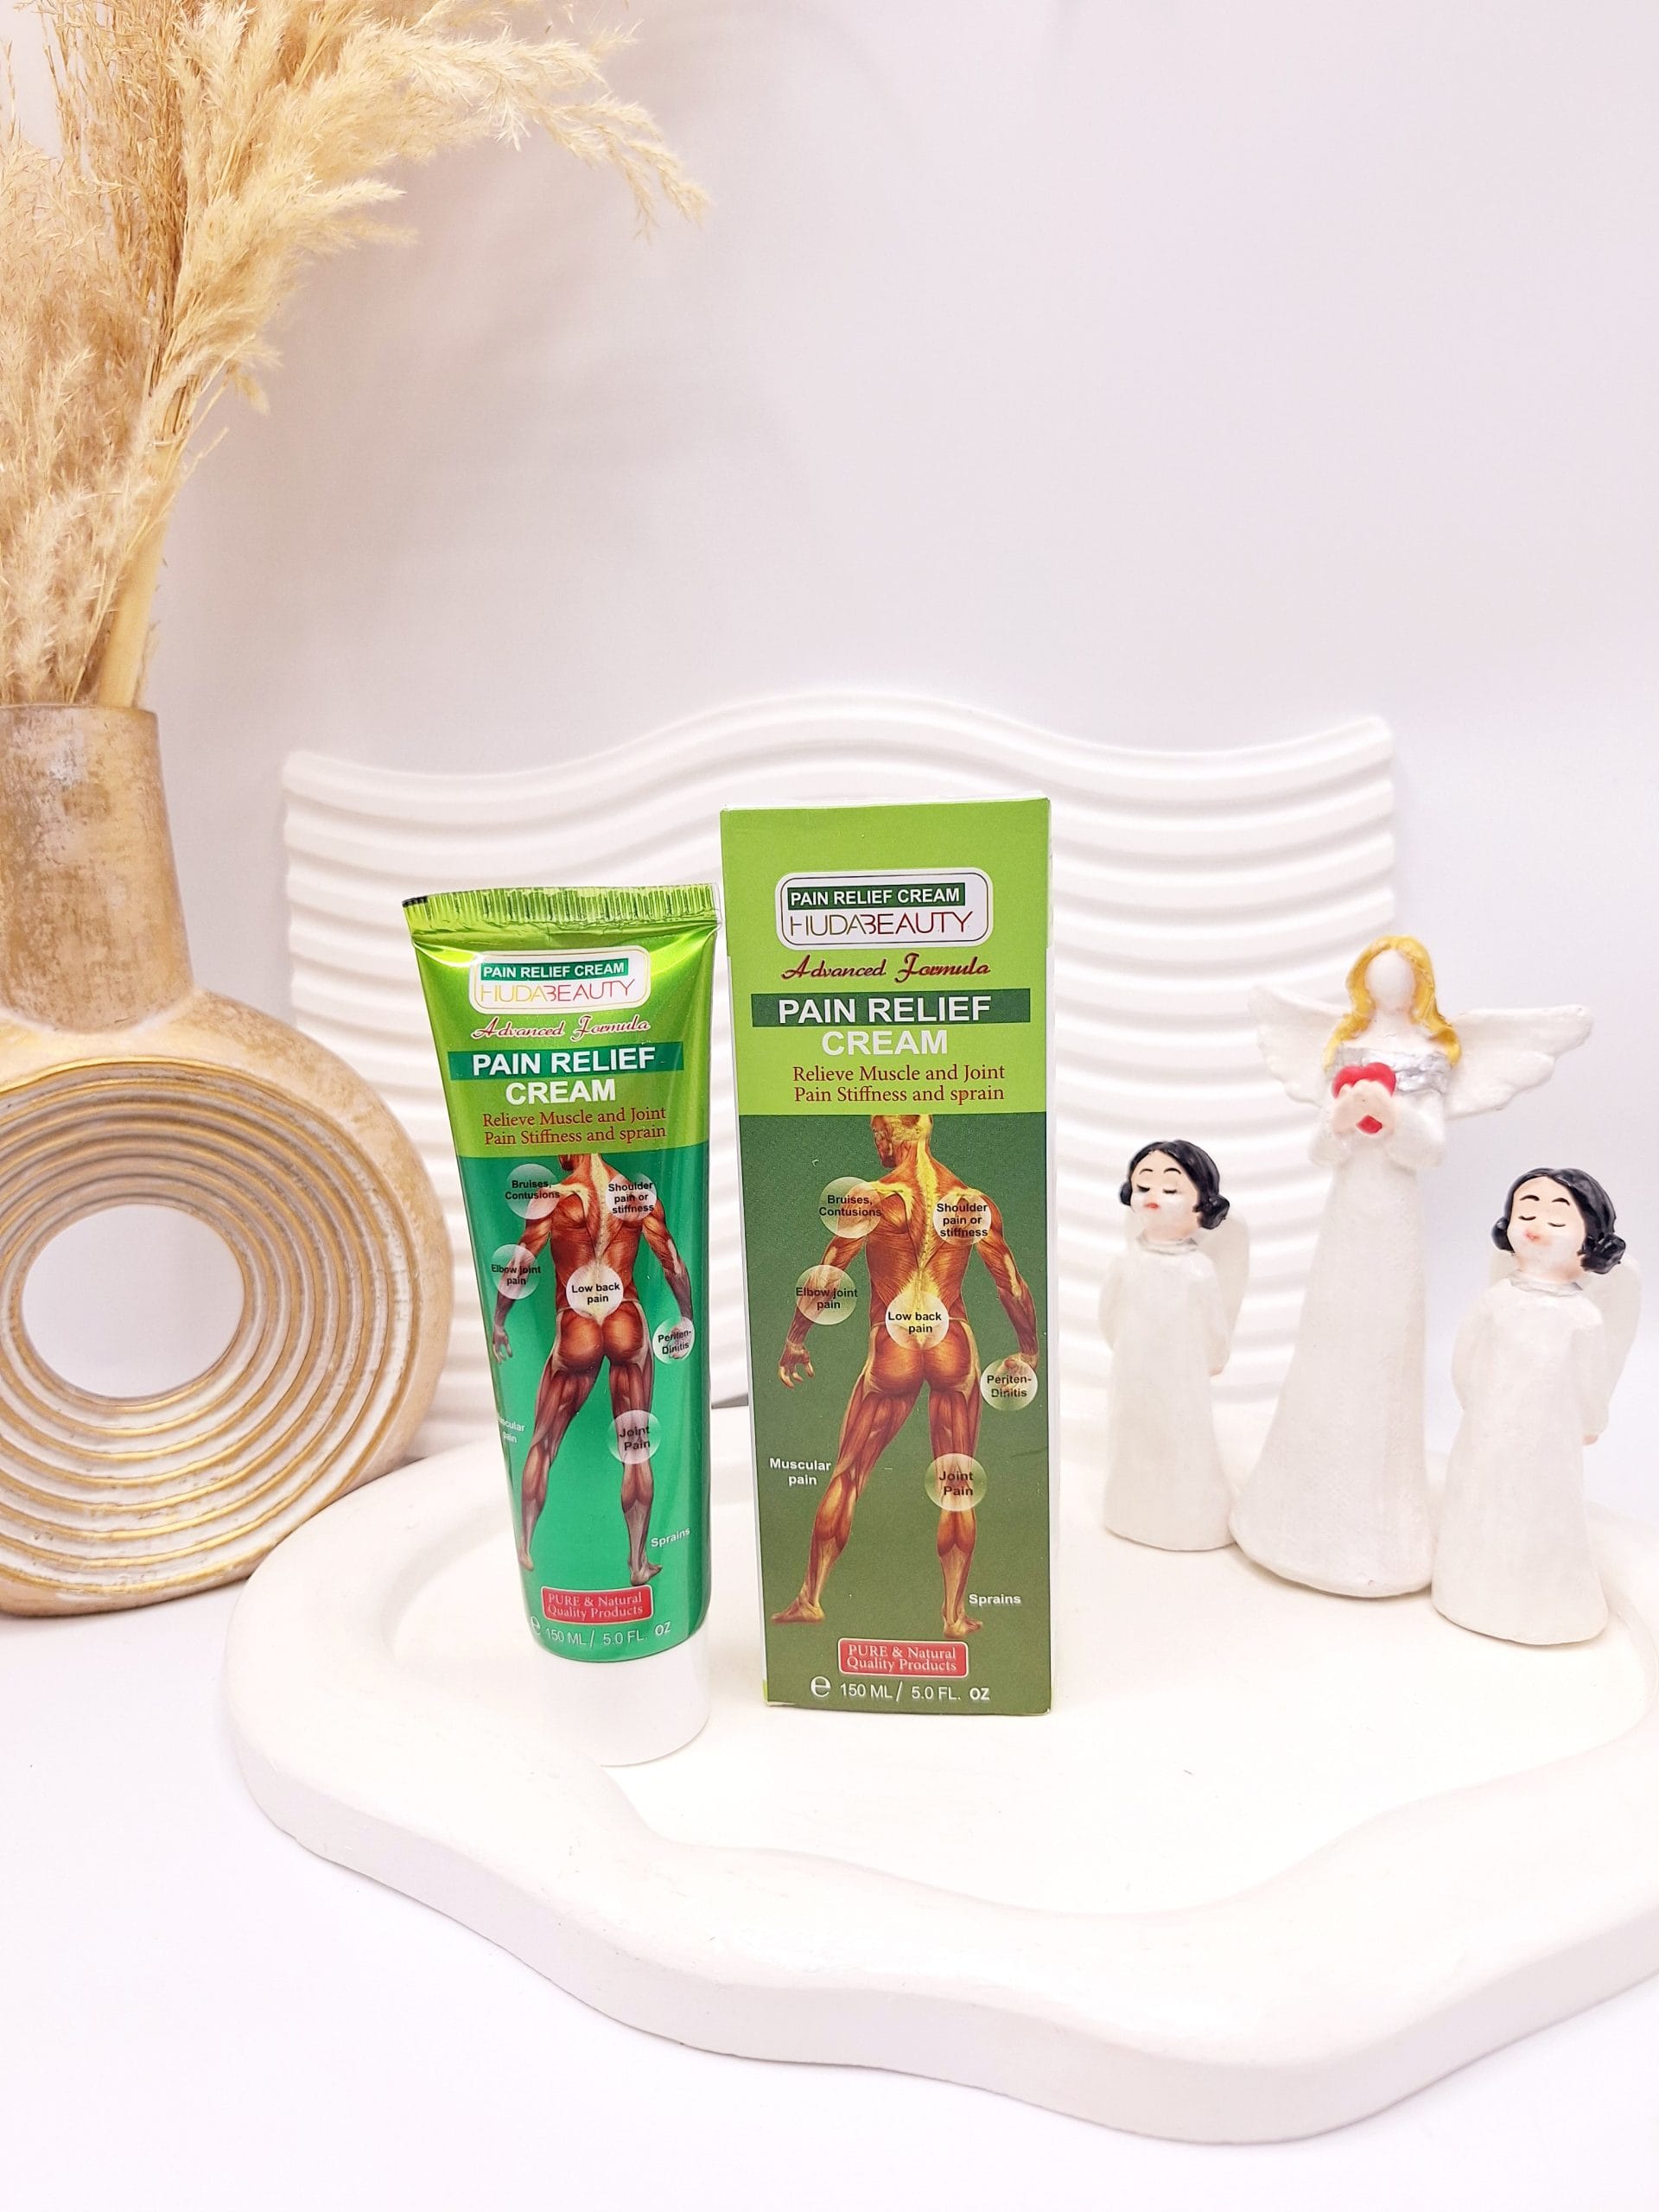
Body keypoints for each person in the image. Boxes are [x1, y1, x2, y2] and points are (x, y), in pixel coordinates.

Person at [772, 1112, 1039, 1637]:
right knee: (958, 1482)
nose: (875, 1143)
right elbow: (1009, 1282)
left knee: (848, 1474)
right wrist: (1028, 1349)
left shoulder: (872, 1198)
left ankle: (811, 1598)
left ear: (890, 1135)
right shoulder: (970, 1202)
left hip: (893, 1342)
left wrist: (796, 1338)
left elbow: (828, 1274)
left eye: (877, 1133)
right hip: (952, 1342)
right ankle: (954, 1616)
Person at [1433, 1170, 1631, 1646]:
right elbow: (1466, 1359)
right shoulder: (1497, 1301)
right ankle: (1468, 1589)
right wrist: (1476, 1405)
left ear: (1590, 1242)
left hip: (1548, 1438)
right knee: (1481, 1499)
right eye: (1526, 1213)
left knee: (1540, 1508)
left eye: (1558, 1220)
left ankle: (1540, 1604)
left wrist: (1591, 1421)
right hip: (1489, 1428)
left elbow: (1592, 1381)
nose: (1537, 1225)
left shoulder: (1582, 1317)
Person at [492, 1152, 694, 1582]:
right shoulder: (637, 1197)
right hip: (626, 1319)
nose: (559, 1155)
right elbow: (672, 1263)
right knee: (636, 1448)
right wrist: (686, 1315)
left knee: (542, 1443)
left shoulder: (554, 1198)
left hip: (576, 1323)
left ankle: (526, 1547)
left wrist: (499, 1320)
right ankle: (637, 1562)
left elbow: (521, 1263)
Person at [1100, 1140, 1242, 1551]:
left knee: (1181, 1438)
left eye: (1172, 1188)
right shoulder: (1126, 1263)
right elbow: (1108, 1315)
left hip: (1181, 1378)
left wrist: (1210, 1361)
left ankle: (1188, 1519)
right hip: (1134, 1372)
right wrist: (1126, 1353)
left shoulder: (1198, 1271)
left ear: (1202, 1205)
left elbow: (1214, 1330)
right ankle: (1130, 1510)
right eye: (1144, 1186)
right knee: (1133, 1436)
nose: (1154, 1196)